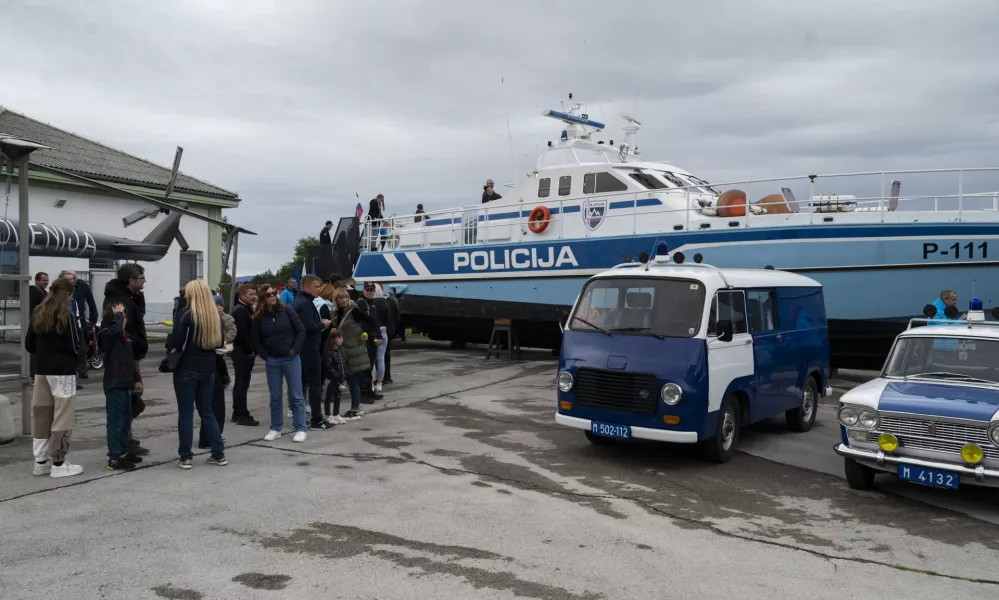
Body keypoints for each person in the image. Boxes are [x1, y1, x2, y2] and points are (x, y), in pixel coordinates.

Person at [26, 277, 83, 478]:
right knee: (62, 416)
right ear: (69, 294)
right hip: (63, 371)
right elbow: (76, 344)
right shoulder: (67, 315)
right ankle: (59, 463)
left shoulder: (38, 312)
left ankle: (40, 461)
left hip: (41, 370)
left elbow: (29, 345)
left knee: (42, 415)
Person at [167, 280, 226, 469]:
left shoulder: (187, 314)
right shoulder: (214, 317)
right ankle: (218, 453)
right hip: (208, 368)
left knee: (186, 413)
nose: (184, 295)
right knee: (207, 412)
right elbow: (218, 344)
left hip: (187, 367)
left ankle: (186, 456)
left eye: (187, 293)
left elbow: (176, 341)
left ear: (192, 295)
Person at [102, 263, 150, 457]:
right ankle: (124, 442)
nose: (144, 280)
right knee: (129, 401)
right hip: (125, 360)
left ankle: (125, 439)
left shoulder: (130, 298)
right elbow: (122, 332)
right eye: (141, 277)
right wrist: (136, 345)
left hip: (131, 356)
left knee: (132, 399)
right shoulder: (120, 302)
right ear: (131, 280)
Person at [253, 284, 308, 442]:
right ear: (263, 298)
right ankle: (275, 428)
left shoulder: (288, 311)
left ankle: (301, 427)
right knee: (275, 396)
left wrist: (295, 349)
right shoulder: (258, 317)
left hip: (291, 359)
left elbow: (301, 331)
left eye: (274, 293)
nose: (272, 296)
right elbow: (255, 340)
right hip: (272, 360)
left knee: (296, 395)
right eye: (269, 294)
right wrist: (265, 356)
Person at [100, 302, 144, 471]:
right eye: (121, 317)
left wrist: (136, 379)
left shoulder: (125, 337)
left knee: (126, 420)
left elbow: (130, 361)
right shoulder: (108, 335)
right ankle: (114, 457)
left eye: (124, 317)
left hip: (126, 383)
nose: (124, 320)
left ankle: (124, 451)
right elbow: (115, 331)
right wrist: (117, 315)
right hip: (115, 383)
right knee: (115, 422)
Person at [292, 275, 334, 431]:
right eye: (316, 286)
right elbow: (307, 327)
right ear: (306, 287)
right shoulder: (304, 304)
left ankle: (300, 417)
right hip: (309, 348)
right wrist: (322, 324)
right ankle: (317, 419)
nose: (319, 289)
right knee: (315, 383)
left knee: (302, 383)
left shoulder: (302, 302)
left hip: (305, 348)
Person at [330, 288, 375, 420]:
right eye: (340, 298)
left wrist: (365, 334)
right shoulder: (335, 313)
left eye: (345, 297)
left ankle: (356, 408)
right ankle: (355, 407)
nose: (344, 300)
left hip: (354, 350)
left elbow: (371, 320)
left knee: (352, 379)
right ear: (336, 300)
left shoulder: (354, 311)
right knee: (349, 379)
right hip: (342, 351)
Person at [198, 295, 236, 450]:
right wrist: (222, 344)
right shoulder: (209, 319)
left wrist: (224, 343)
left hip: (209, 364)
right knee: (215, 404)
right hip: (212, 364)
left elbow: (232, 331)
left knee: (209, 404)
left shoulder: (205, 318)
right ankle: (212, 437)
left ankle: (208, 437)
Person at [230, 284, 260, 426]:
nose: (254, 296)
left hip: (242, 352)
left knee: (240, 383)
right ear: (242, 295)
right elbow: (242, 334)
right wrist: (250, 351)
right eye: (250, 294)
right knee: (242, 384)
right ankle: (242, 414)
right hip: (242, 353)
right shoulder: (241, 311)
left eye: (255, 294)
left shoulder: (244, 309)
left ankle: (237, 411)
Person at [356, 282, 386, 401]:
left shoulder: (372, 304)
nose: (370, 292)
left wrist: (378, 337)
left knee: (370, 366)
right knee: (364, 368)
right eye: (368, 290)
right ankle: (363, 393)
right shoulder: (361, 303)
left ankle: (370, 390)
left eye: (372, 290)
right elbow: (363, 323)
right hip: (365, 339)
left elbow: (376, 323)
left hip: (372, 339)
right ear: (363, 291)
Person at [322, 328, 347, 424]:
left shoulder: (340, 351)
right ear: (333, 339)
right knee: (329, 397)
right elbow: (328, 366)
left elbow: (343, 364)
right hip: (331, 379)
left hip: (340, 379)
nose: (341, 339)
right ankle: (328, 415)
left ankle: (336, 414)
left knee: (338, 396)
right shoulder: (328, 352)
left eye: (342, 337)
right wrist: (336, 375)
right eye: (339, 337)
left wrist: (344, 374)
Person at [28, 272, 49, 377]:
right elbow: (33, 310)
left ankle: (38, 372)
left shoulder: (44, 293)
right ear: (37, 281)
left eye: (47, 280)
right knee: (35, 350)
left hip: (42, 325)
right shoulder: (33, 293)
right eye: (44, 280)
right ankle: (34, 374)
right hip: (36, 325)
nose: (46, 282)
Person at [383, 286, 401, 384]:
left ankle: (380, 377)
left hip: (380, 331)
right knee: (386, 354)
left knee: (379, 356)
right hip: (389, 331)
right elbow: (397, 317)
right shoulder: (392, 301)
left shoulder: (378, 302)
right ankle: (387, 376)